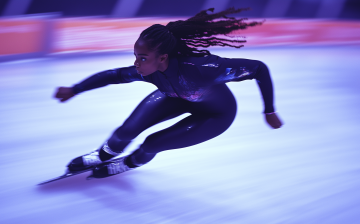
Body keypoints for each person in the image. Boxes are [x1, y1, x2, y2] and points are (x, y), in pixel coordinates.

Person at [54, 7, 283, 179]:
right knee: (127, 130)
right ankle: (103, 155)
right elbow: (114, 75)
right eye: (136, 56)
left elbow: (259, 68)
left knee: (152, 143)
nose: (137, 63)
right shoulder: (148, 70)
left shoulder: (203, 69)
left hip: (215, 116)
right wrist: (75, 89)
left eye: (142, 58)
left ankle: (131, 162)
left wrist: (269, 110)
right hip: (177, 97)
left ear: (162, 57)